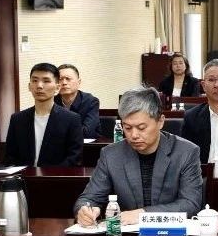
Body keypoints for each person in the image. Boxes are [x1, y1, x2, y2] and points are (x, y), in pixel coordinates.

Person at [73, 87, 203, 226]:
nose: (134, 135)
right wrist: (85, 210)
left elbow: (190, 204)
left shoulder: (186, 152)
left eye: (141, 128)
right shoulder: (111, 154)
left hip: (171, 233)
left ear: (160, 121)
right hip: (126, 235)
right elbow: (89, 198)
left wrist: (142, 214)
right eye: (127, 128)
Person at [4, 62, 83, 167]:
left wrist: (49, 175)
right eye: (35, 81)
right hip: (25, 176)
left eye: (46, 81)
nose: (39, 86)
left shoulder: (71, 119)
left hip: (57, 175)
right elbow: (10, 157)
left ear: (57, 88)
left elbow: (74, 158)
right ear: (29, 86)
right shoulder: (17, 119)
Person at [54, 63, 101, 138]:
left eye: (68, 79)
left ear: (79, 82)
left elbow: (87, 132)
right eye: (60, 79)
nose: (64, 83)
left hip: (86, 144)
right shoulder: (52, 101)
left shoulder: (90, 101)